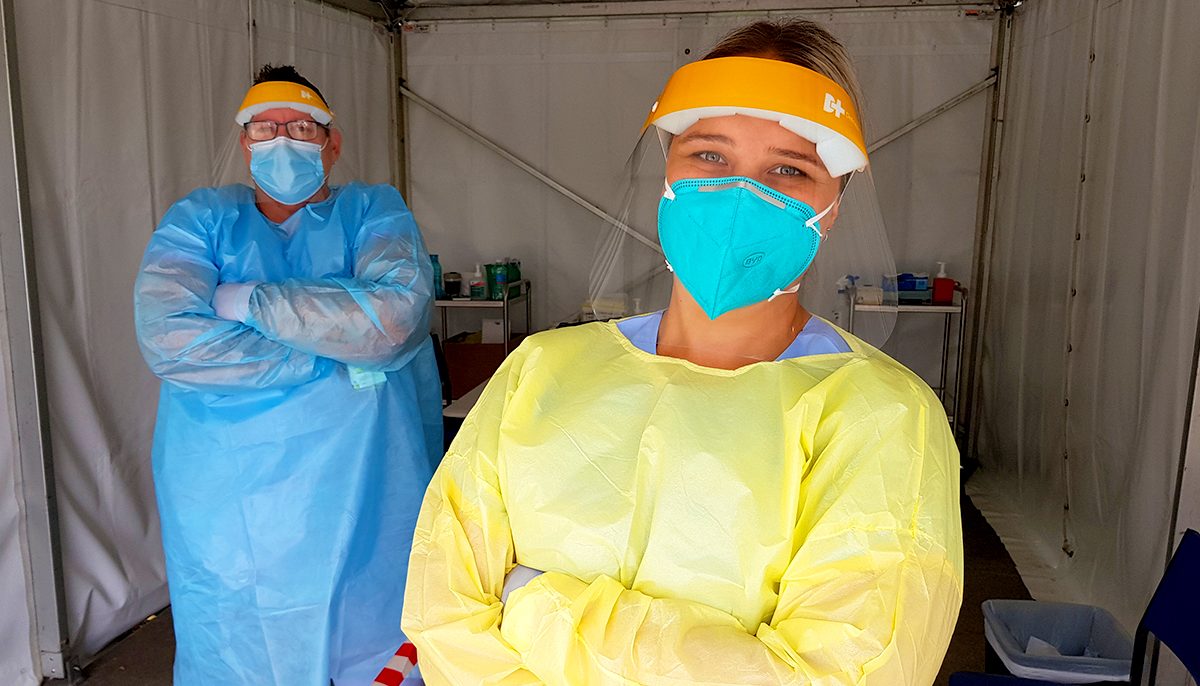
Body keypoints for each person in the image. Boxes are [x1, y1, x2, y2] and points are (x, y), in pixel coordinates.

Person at [402, 19, 963, 685]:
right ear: (667, 169)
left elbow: (844, 674)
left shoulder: (881, 418)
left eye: (788, 168)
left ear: (833, 203)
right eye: (710, 157)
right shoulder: (539, 371)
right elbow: (444, 614)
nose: (737, 196)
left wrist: (535, 605)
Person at [133, 64, 441, 685]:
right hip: (227, 498)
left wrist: (246, 301)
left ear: (333, 142)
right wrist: (333, 349)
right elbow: (170, 339)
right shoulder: (201, 220)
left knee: (375, 640)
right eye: (264, 129)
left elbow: (394, 320)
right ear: (244, 142)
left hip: (369, 483)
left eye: (300, 127)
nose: (282, 141)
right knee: (240, 644)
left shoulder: (373, 211)